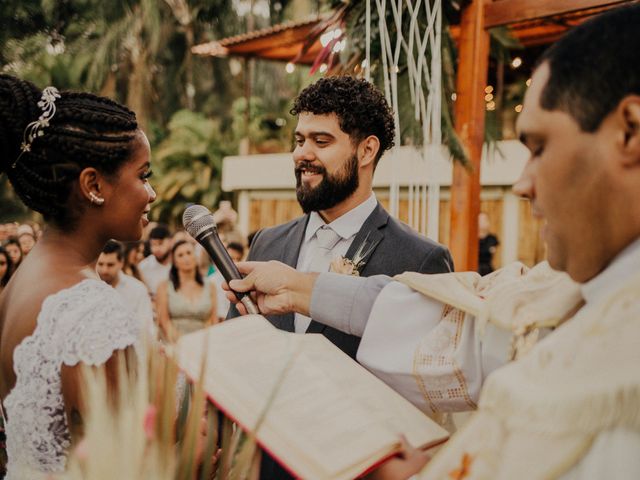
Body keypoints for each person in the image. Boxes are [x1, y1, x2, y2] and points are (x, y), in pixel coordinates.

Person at [227, 6, 640, 478]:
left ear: (629, 131)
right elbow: (456, 326)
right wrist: (295, 288)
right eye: (298, 139)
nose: (523, 183)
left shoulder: (423, 255)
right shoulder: (558, 299)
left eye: (540, 147)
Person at [229, 74, 454, 480]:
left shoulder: (421, 261)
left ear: (367, 149)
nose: (302, 154)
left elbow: (424, 399)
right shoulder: (267, 243)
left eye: (321, 141)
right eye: (299, 141)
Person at [0, 74, 156, 478]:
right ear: (93, 185)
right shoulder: (90, 312)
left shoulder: (18, 285)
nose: (151, 193)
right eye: (143, 175)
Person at [156, 240, 217, 341]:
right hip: (175, 343)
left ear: (195, 256)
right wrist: (182, 342)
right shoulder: (164, 287)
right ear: (174, 262)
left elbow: (213, 320)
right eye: (180, 255)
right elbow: (164, 321)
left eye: (189, 253)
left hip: (204, 342)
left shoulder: (210, 286)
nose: (186, 258)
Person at [96, 240, 155, 339]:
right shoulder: (90, 288)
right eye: (100, 264)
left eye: (110, 265)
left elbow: (146, 326)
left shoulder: (137, 289)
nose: (104, 270)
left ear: (121, 263)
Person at [138, 223, 172, 298]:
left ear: (170, 241)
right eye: (153, 244)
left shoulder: (178, 262)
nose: (156, 249)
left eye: (160, 243)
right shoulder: (144, 266)